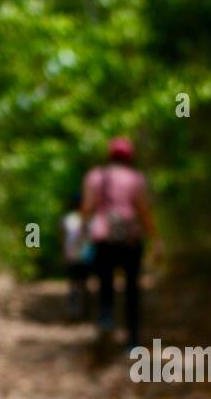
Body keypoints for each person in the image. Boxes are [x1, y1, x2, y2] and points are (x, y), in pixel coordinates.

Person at [81, 137, 158, 350]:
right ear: (130, 157)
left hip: (103, 237)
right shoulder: (136, 178)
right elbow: (143, 211)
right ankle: (132, 339)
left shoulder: (95, 176)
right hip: (130, 239)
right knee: (132, 288)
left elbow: (87, 208)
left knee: (105, 282)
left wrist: (82, 233)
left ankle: (106, 317)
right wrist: (155, 239)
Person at [60, 192, 93, 320]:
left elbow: (63, 238)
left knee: (73, 283)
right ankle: (85, 310)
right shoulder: (89, 218)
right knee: (83, 283)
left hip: (72, 255)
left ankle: (74, 309)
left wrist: (63, 253)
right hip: (86, 255)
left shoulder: (67, 219)